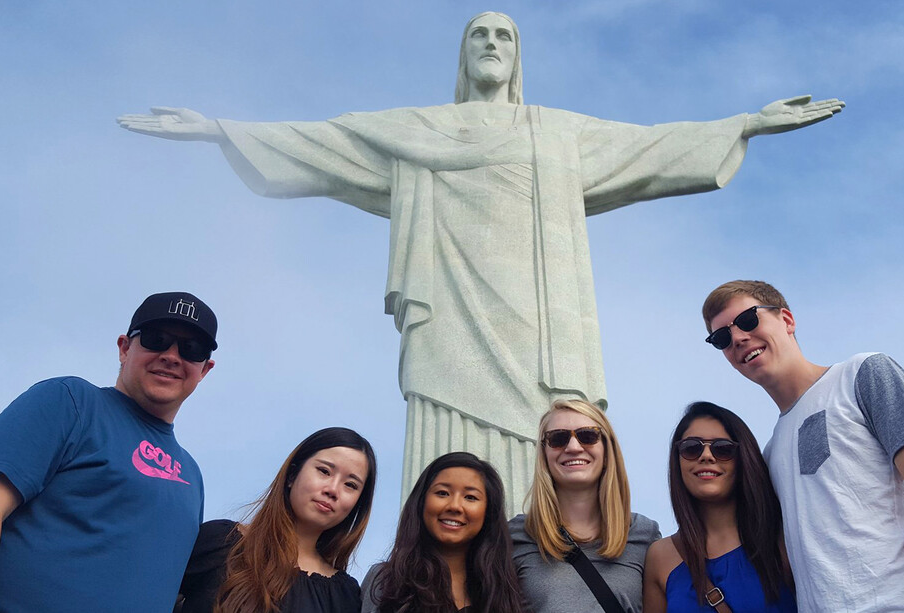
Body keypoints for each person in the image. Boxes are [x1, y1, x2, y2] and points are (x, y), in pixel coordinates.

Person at [117, 13, 844, 510]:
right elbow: (324, 143)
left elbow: (649, 147)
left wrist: (742, 122)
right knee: (447, 451)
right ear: (463, 56)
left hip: (542, 324)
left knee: (557, 439)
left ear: (517, 56)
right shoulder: (419, 131)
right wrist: (220, 130)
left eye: (504, 34)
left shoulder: (555, 133)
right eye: (479, 34)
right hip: (450, 323)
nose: (492, 42)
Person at [0, 291, 217, 612]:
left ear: (204, 369)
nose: (172, 355)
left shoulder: (192, 477)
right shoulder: (70, 402)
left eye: (191, 349)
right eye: (156, 339)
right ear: (124, 348)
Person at [701, 280, 904, 612]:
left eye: (749, 320)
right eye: (722, 338)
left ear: (786, 320)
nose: (738, 337)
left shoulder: (861, 376)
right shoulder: (769, 454)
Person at [177, 427, 376, 613]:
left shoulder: (344, 595)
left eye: (350, 484)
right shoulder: (219, 542)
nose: (332, 489)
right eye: (324, 471)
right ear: (292, 475)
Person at [509, 398, 660, 612]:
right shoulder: (515, 536)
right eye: (558, 438)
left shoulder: (644, 535)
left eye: (588, 436)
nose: (573, 447)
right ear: (544, 454)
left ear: (607, 451)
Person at [643, 402, 796, 612]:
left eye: (723, 448)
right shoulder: (661, 557)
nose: (706, 456)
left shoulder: (783, 537)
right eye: (691, 448)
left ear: (744, 458)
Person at [361, 452, 525, 613]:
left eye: (470, 497)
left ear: (488, 511)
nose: (454, 506)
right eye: (442, 493)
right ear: (421, 502)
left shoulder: (510, 591)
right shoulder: (385, 581)